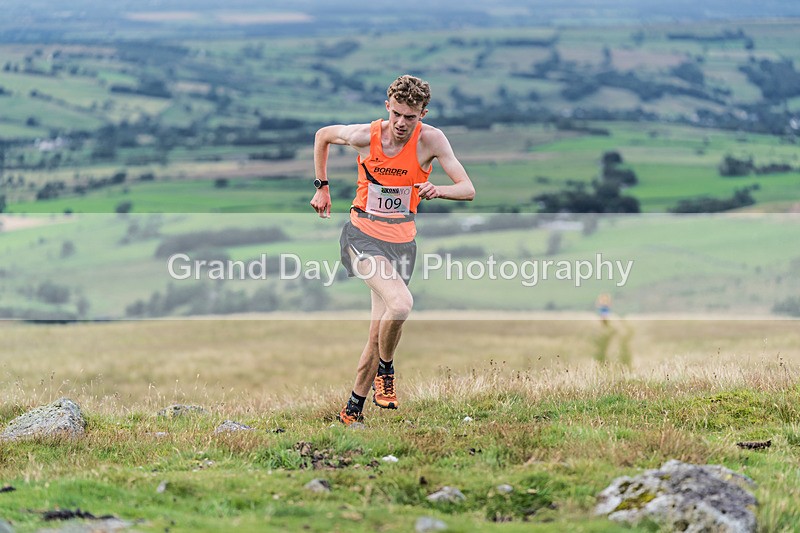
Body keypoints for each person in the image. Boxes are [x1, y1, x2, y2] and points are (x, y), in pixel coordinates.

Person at [310, 74, 475, 425]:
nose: (401, 123)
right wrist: (322, 187)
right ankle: (387, 371)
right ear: (388, 107)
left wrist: (438, 190)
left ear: (423, 114)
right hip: (361, 236)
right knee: (401, 304)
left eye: (410, 117)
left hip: (401, 244)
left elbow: (467, 188)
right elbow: (323, 135)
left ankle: (352, 411)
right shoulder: (364, 137)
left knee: (377, 332)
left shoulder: (431, 141)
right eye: (396, 114)